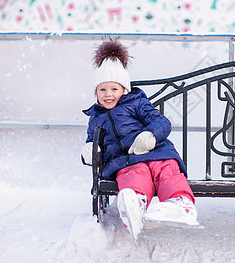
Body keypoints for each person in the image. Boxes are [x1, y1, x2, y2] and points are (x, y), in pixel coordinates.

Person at [81, 39, 198, 240]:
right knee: (134, 175)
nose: (108, 94)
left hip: (157, 151)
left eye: (114, 89)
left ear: (124, 89)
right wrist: (89, 151)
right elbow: (92, 140)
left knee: (167, 171)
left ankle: (181, 203)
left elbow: (161, 121)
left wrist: (151, 136)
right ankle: (134, 203)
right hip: (125, 161)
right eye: (102, 90)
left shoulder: (136, 103)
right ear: (96, 92)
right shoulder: (95, 117)